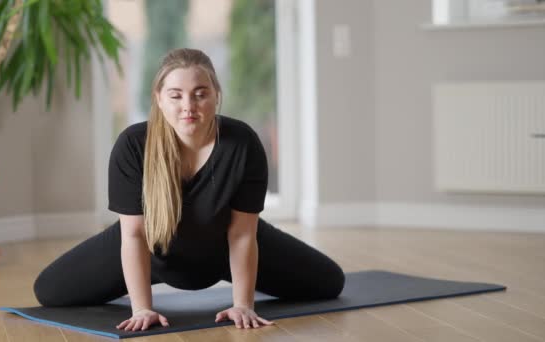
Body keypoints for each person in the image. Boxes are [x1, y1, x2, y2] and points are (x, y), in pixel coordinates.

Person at [33, 48, 345, 332]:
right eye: (176, 95)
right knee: (50, 290)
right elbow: (134, 235)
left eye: (200, 94)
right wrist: (142, 307)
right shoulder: (132, 145)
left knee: (329, 282)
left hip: (224, 249)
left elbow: (242, 234)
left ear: (216, 95)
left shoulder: (243, 143)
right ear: (158, 98)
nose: (188, 107)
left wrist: (243, 304)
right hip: (151, 251)